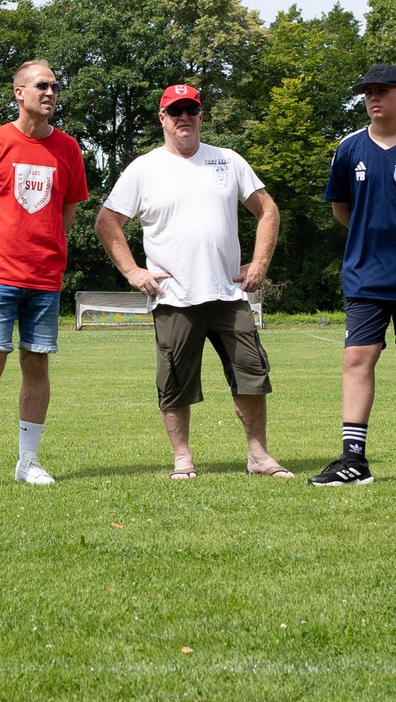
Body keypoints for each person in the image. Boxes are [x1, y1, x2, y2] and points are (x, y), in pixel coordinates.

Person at [97, 83, 291, 479]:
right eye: (175, 111)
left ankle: (258, 457)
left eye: (191, 110)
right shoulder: (144, 168)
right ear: (162, 118)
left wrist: (259, 263)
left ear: (201, 116)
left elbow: (268, 210)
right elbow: (107, 221)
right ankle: (183, 459)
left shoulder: (228, 160)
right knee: (174, 380)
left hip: (228, 292)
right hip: (173, 296)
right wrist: (132, 271)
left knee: (251, 374)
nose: (183, 117)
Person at [0, 59, 90, 490]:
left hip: (45, 278)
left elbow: (67, 212)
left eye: (55, 87)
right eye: (42, 85)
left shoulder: (68, 149)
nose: (50, 93)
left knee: (36, 362)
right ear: (19, 93)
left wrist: (42, 250)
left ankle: (28, 461)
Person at [311, 64, 396, 487]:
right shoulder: (349, 148)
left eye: (382, 91)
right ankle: (354, 460)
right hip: (365, 276)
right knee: (357, 359)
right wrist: (373, 238)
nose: (373, 98)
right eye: (368, 92)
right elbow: (341, 209)